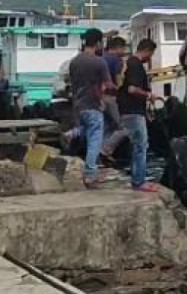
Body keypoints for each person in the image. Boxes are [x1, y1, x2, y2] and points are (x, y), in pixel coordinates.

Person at [116, 39, 161, 192]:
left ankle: (137, 179)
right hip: (133, 111)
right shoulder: (136, 65)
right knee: (141, 146)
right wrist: (149, 95)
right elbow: (132, 89)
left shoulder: (129, 62)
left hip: (129, 110)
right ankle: (139, 181)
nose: (151, 58)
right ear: (147, 51)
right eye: (151, 54)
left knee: (136, 145)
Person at [68, 28, 111, 187]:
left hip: (78, 105)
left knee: (87, 129)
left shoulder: (74, 61)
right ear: (98, 43)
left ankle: (72, 133)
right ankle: (90, 176)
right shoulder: (99, 62)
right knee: (95, 141)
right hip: (93, 104)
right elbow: (106, 85)